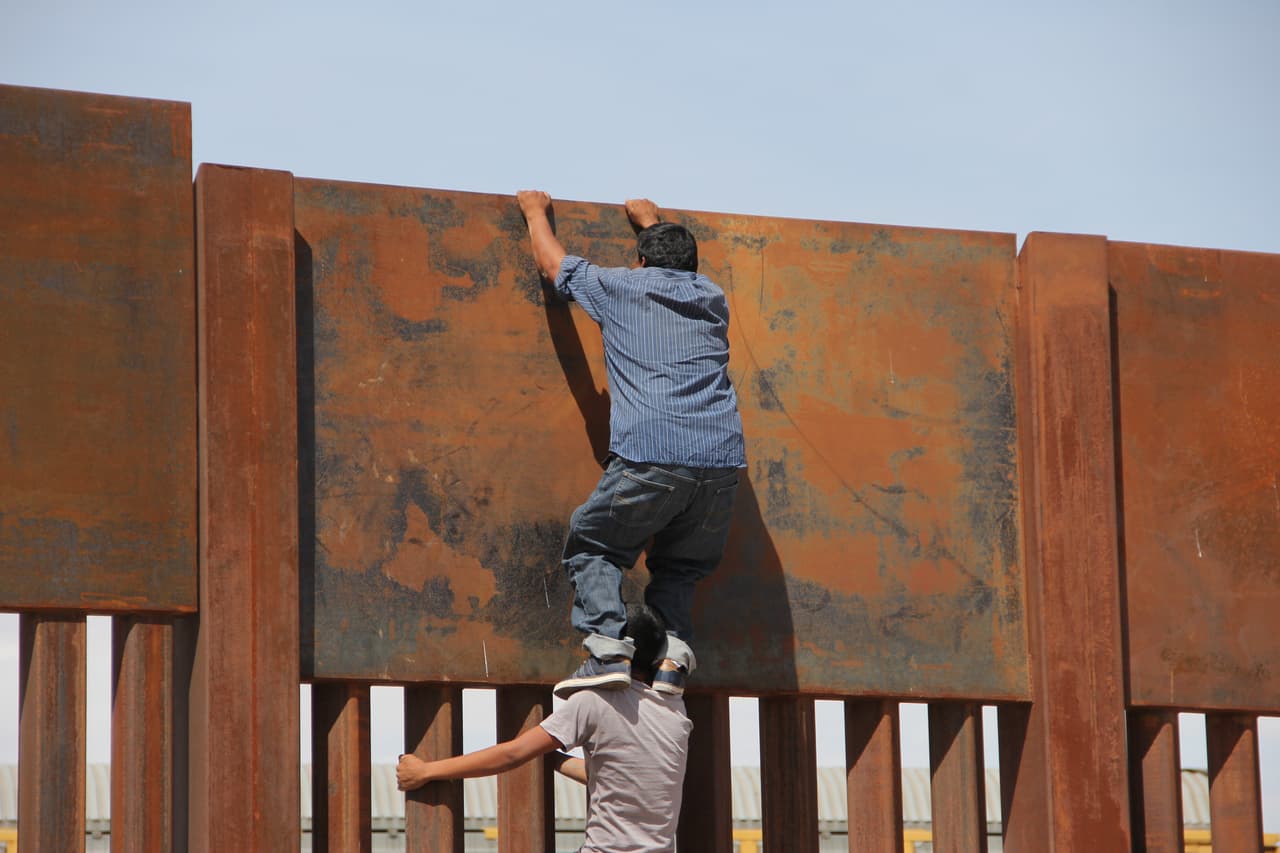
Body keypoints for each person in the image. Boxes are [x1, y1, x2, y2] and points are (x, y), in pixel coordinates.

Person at [515, 191, 746, 699]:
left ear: (639, 262)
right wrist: (651, 222)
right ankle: (671, 660)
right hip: (721, 462)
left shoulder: (620, 287)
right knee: (680, 566)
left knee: (593, 543)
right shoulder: (712, 297)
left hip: (652, 454)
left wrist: (534, 212)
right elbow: (674, 268)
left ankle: (607, 651)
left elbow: (555, 267)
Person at [396, 604, 693, 853]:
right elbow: (621, 775)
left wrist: (425, 771)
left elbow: (512, 754)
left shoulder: (595, 702)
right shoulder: (674, 711)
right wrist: (553, 759)